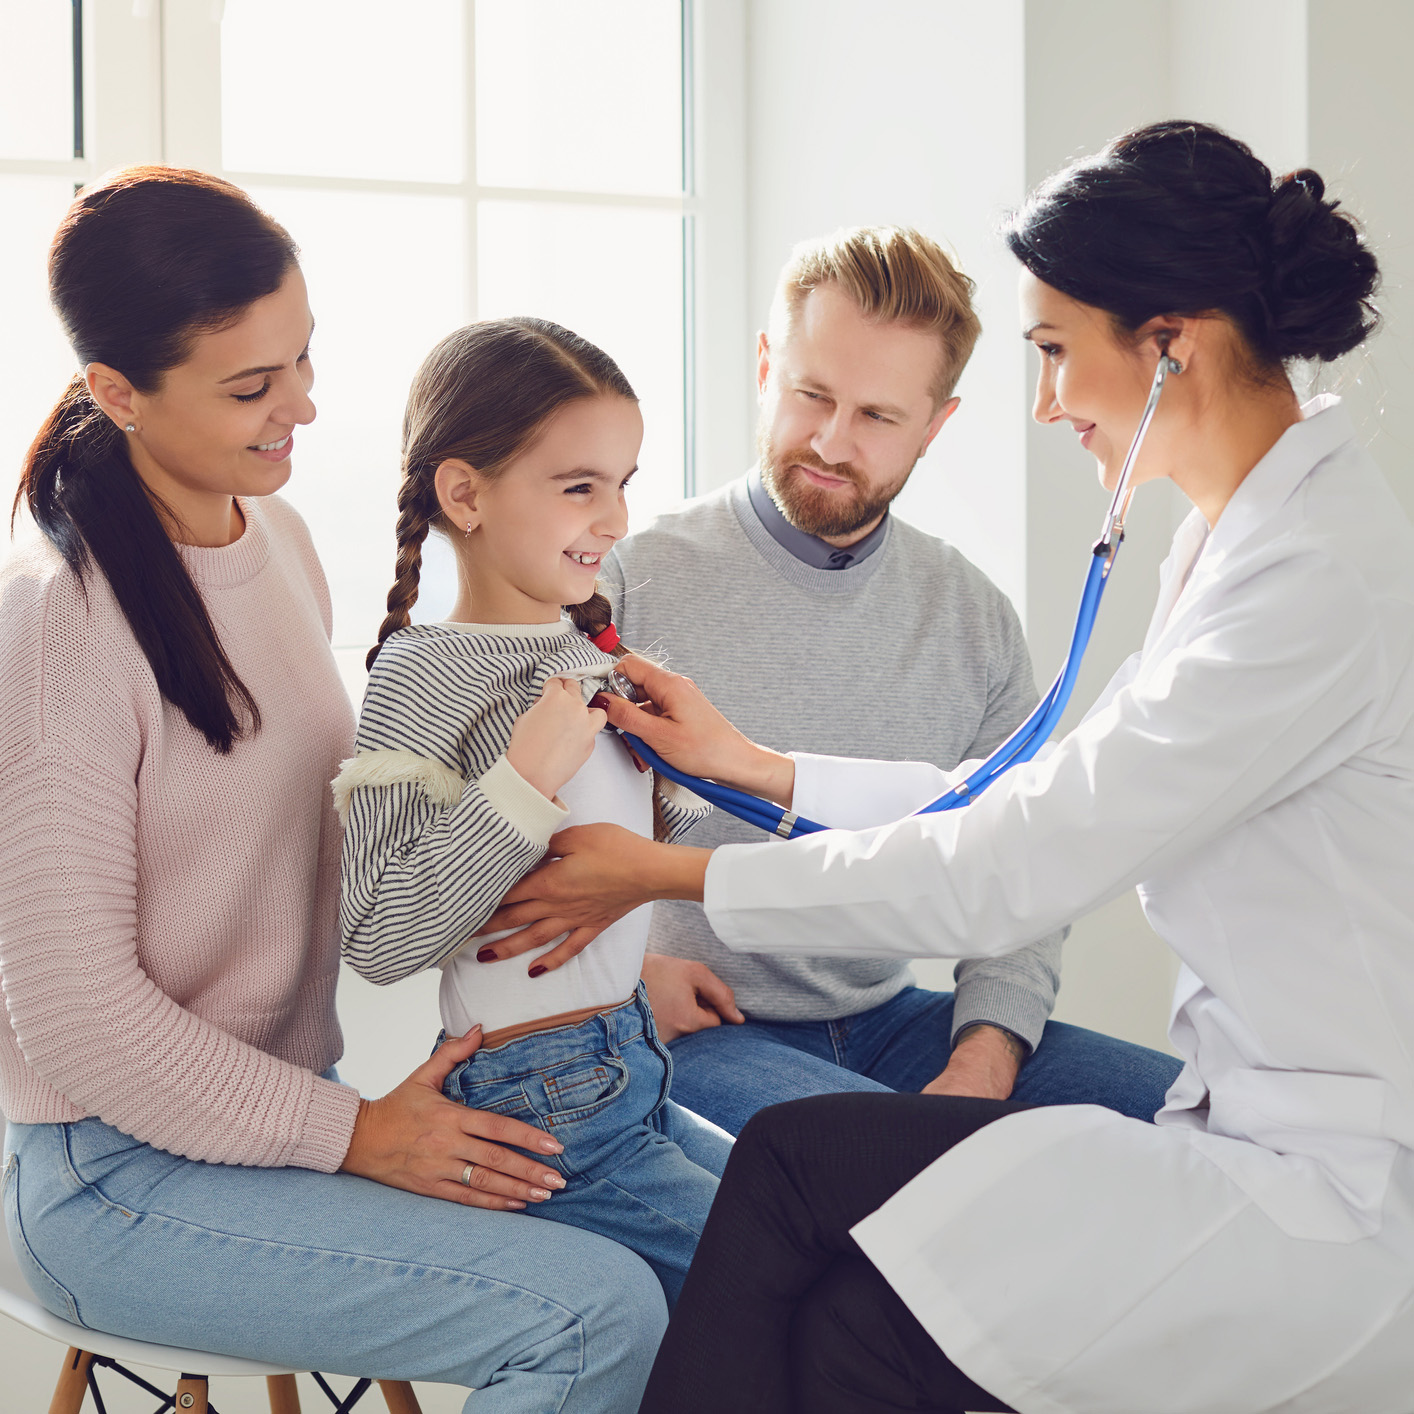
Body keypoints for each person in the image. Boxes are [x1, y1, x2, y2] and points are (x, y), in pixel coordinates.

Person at [477, 121, 1414, 1413]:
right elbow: (1025, 806)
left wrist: (669, 869)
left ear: (1165, 346)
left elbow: (1018, 860)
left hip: (1326, 1175)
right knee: (841, 1267)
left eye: (1052, 353)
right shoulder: (1246, 543)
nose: (1046, 405)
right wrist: (759, 768)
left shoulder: (1300, 581)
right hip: (1254, 1120)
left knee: (833, 1241)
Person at [0, 168, 667, 1413]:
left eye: (302, 358)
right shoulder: (59, 627)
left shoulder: (278, 538)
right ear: (115, 393)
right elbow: (75, 1022)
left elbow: (393, 840)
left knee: (731, 1255)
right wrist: (352, 1135)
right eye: (252, 386)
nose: (301, 404)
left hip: (278, 1125)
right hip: (115, 1181)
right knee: (597, 1311)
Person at [601, 225, 1181, 1131]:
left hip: (896, 1022)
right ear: (765, 367)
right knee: (890, 1165)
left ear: (935, 425)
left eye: (876, 417)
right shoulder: (626, 581)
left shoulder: (972, 615)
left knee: (1190, 1118)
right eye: (811, 395)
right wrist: (629, 970)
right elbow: (527, 833)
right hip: (703, 1026)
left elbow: (1021, 865)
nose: (831, 442)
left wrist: (985, 1051)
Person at [333, 317, 728, 1308]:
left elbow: (604, 872)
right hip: (540, 1096)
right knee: (797, 1284)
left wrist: (675, 774)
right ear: (464, 493)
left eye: (625, 480)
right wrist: (516, 784)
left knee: (823, 1234)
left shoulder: (587, 653)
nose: (617, 517)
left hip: (631, 1057)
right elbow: (381, 938)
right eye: (579, 486)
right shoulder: (419, 677)